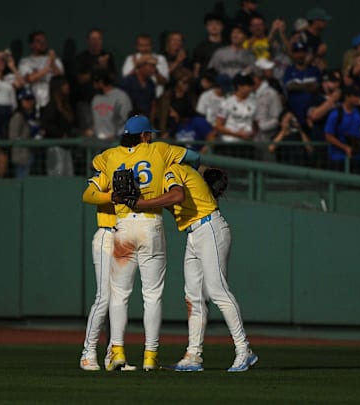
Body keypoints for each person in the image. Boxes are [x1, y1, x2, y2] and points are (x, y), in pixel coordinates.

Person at [92, 115, 196, 372]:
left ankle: (116, 351)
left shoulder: (111, 155)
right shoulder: (160, 150)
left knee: (119, 294)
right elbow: (194, 158)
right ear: (144, 135)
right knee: (152, 295)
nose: (152, 136)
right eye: (150, 133)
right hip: (151, 223)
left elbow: (95, 164)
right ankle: (150, 356)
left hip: (124, 225)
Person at [130, 164, 258, 372]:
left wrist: (141, 202)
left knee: (218, 291)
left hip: (209, 228)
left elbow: (177, 195)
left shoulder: (172, 170)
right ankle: (193, 355)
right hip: (194, 233)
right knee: (193, 297)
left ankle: (244, 350)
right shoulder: (170, 179)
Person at [78, 170, 117, 371]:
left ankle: (114, 354)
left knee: (119, 301)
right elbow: (88, 194)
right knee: (104, 298)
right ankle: (88, 353)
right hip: (107, 235)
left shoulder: (141, 171)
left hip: (128, 238)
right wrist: (112, 195)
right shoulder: (108, 170)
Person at [73, 28, 117, 132]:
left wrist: (105, 67)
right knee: (88, 132)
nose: (96, 42)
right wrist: (97, 67)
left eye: (98, 39)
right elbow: (80, 79)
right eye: (93, 39)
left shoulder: (107, 57)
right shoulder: (81, 58)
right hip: (86, 102)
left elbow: (112, 79)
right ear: (88, 41)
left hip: (106, 103)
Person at [324, 85, 360, 174]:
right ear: (347, 97)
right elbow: (328, 136)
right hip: (338, 156)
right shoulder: (336, 114)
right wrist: (345, 147)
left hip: (357, 155)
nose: (357, 99)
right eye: (354, 96)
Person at [213, 73, 258, 159]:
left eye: (250, 86)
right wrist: (236, 134)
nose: (250, 88)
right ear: (240, 86)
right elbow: (218, 126)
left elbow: (255, 123)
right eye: (247, 86)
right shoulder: (227, 102)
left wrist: (252, 133)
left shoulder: (254, 102)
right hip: (229, 144)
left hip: (247, 144)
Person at [19, 31, 65, 110]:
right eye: (38, 41)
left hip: (54, 102)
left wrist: (52, 62)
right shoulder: (25, 61)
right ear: (31, 45)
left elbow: (60, 78)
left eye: (44, 41)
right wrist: (47, 68)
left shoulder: (55, 59)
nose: (42, 43)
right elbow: (30, 79)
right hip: (34, 102)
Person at [41, 76, 76, 176]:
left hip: (66, 147)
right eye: (64, 85)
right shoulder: (51, 106)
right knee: (57, 175)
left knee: (68, 175)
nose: (67, 87)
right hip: (55, 147)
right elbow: (47, 126)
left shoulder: (67, 105)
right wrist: (61, 135)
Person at [284, 41, 322, 132]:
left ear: (306, 53)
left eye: (302, 52)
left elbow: (316, 87)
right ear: (293, 54)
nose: (300, 55)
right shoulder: (289, 70)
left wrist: (298, 85)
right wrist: (307, 85)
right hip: (294, 113)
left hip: (312, 114)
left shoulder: (314, 70)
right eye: (297, 52)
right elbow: (289, 87)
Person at [8, 88, 43, 178]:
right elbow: (13, 137)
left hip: (34, 155)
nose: (29, 102)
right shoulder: (18, 116)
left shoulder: (34, 116)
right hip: (21, 158)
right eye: (26, 99)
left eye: (30, 99)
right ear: (20, 101)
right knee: (22, 182)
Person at [89, 69, 132, 141]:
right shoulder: (95, 99)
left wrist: (117, 135)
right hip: (98, 143)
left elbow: (128, 121)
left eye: (94, 83)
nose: (93, 86)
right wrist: (93, 131)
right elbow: (96, 122)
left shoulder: (121, 97)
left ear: (101, 82)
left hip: (116, 143)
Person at [155, 67, 197, 133]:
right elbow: (162, 117)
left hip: (186, 129)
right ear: (177, 82)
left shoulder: (190, 97)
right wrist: (163, 132)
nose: (187, 85)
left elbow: (193, 115)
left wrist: (178, 117)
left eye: (189, 82)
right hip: (168, 130)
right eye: (185, 82)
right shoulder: (167, 96)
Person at [192, 13, 226, 77]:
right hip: (206, 83)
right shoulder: (200, 47)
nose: (214, 27)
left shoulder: (228, 46)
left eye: (217, 23)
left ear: (222, 26)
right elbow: (196, 71)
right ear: (206, 27)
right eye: (210, 24)